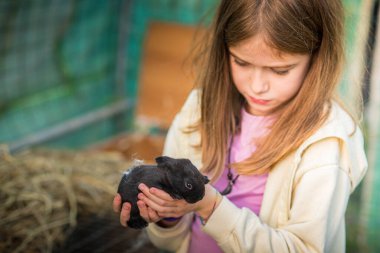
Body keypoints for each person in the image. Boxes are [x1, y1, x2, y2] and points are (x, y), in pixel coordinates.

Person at [113, 0, 368, 252]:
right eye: (241, 62)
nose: (257, 86)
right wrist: (167, 215)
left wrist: (211, 207)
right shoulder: (199, 110)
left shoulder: (325, 142)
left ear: (317, 57)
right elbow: (168, 241)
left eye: (280, 71)